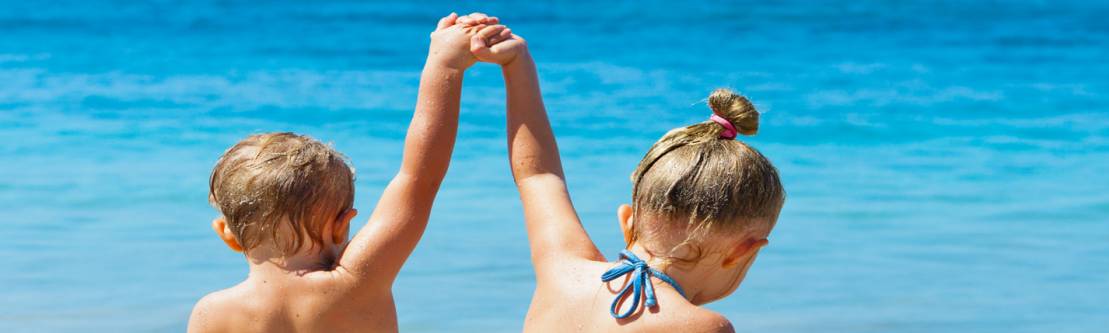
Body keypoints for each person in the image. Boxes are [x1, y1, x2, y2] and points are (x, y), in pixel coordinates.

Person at [186, 12, 514, 333]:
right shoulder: (358, 281)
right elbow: (419, 179)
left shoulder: (211, 313)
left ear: (226, 233)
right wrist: (445, 64)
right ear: (342, 225)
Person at [474, 15, 786, 332]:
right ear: (743, 252)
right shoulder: (700, 326)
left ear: (627, 221)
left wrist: (516, 64)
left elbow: (538, 175)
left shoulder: (563, 270)